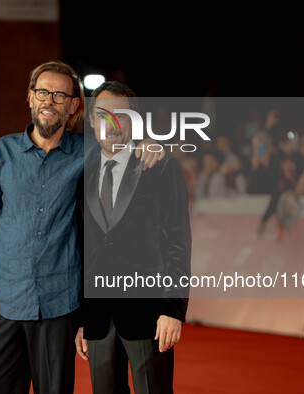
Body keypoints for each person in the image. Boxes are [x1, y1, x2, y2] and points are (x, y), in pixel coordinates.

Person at [0, 61, 164, 394]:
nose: (49, 101)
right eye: (42, 92)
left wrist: (150, 144)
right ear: (30, 98)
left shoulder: (88, 152)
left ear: (75, 106)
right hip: (6, 305)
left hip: (59, 309)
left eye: (60, 95)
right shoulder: (2, 153)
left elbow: (120, 142)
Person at [75, 81, 191, 394]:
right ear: (91, 121)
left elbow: (177, 243)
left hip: (148, 315)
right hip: (98, 319)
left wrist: (173, 309)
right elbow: (84, 249)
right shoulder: (81, 174)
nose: (110, 124)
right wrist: (82, 317)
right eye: (102, 115)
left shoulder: (159, 167)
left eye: (120, 115)